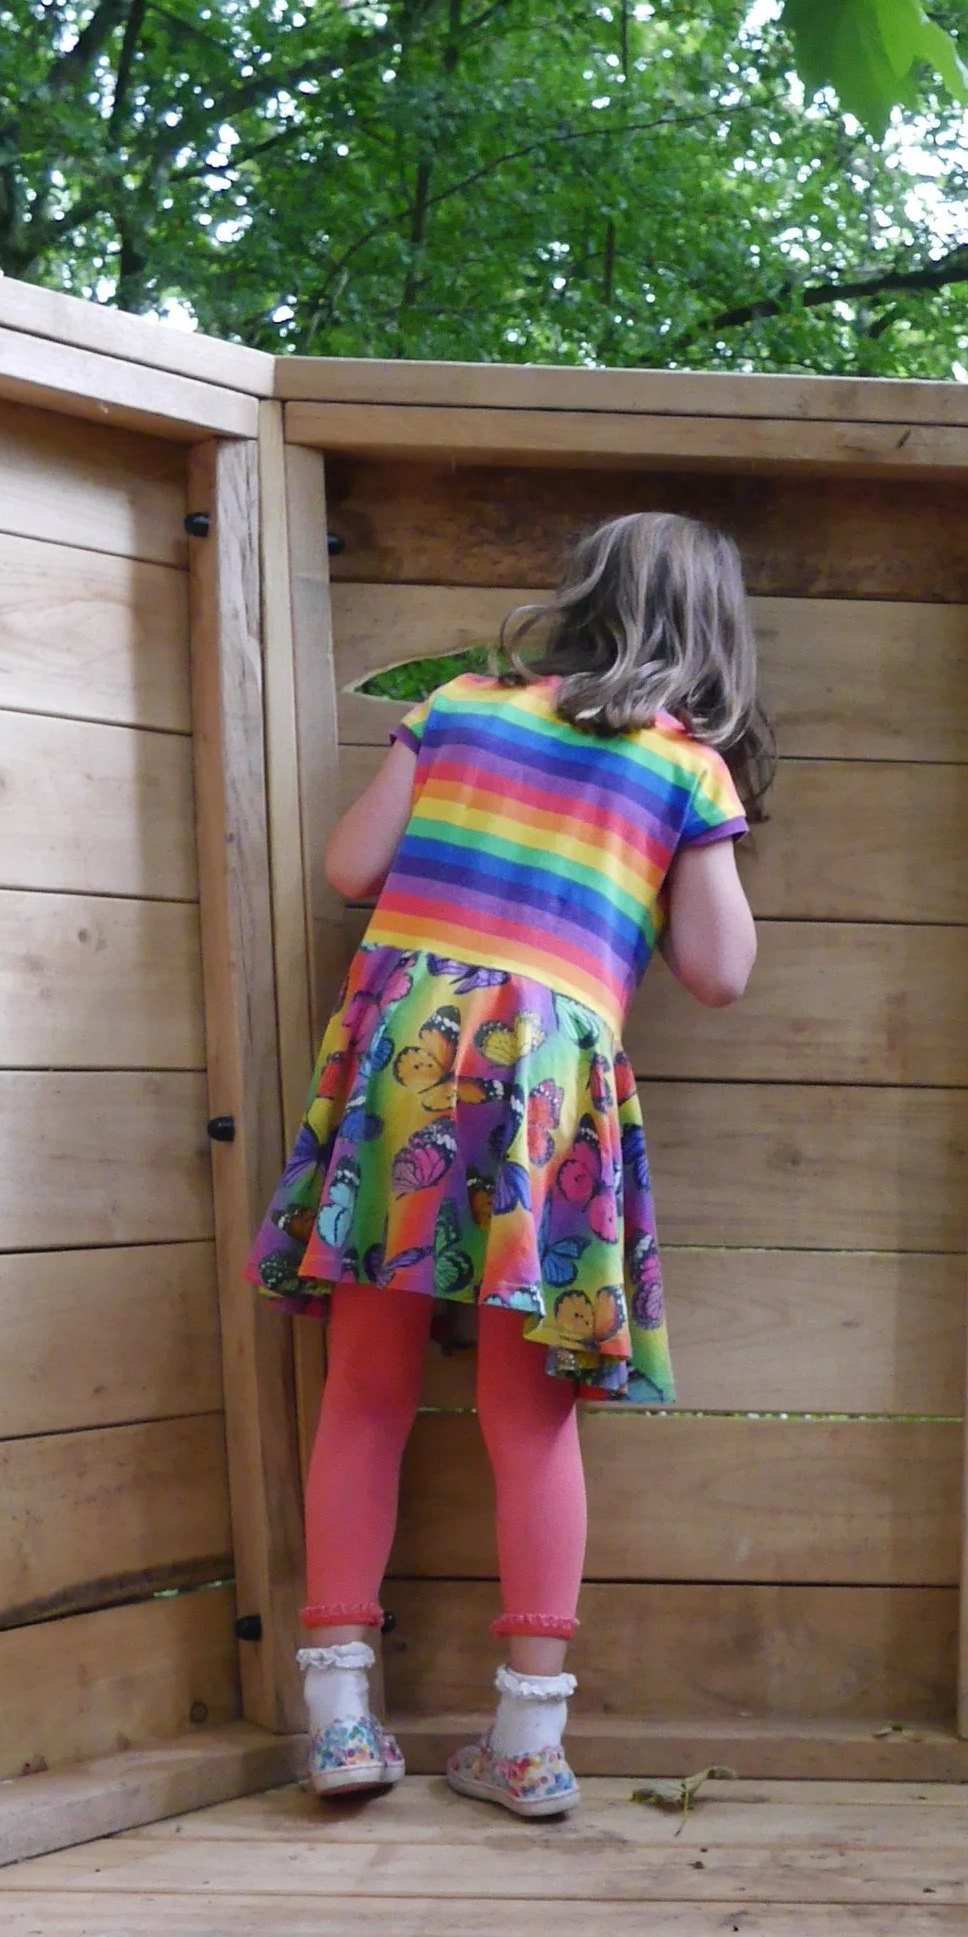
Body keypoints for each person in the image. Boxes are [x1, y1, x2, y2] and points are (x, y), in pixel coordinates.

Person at [249, 513, 769, 1819]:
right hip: (548, 1095)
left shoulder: (464, 706)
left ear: (578, 593)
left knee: (363, 1391)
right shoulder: (685, 770)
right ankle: (526, 1747)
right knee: (526, 1417)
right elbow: (719, 973)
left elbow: (350, 866)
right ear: (715, 632)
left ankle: (341, 1727)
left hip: (410, 1061)